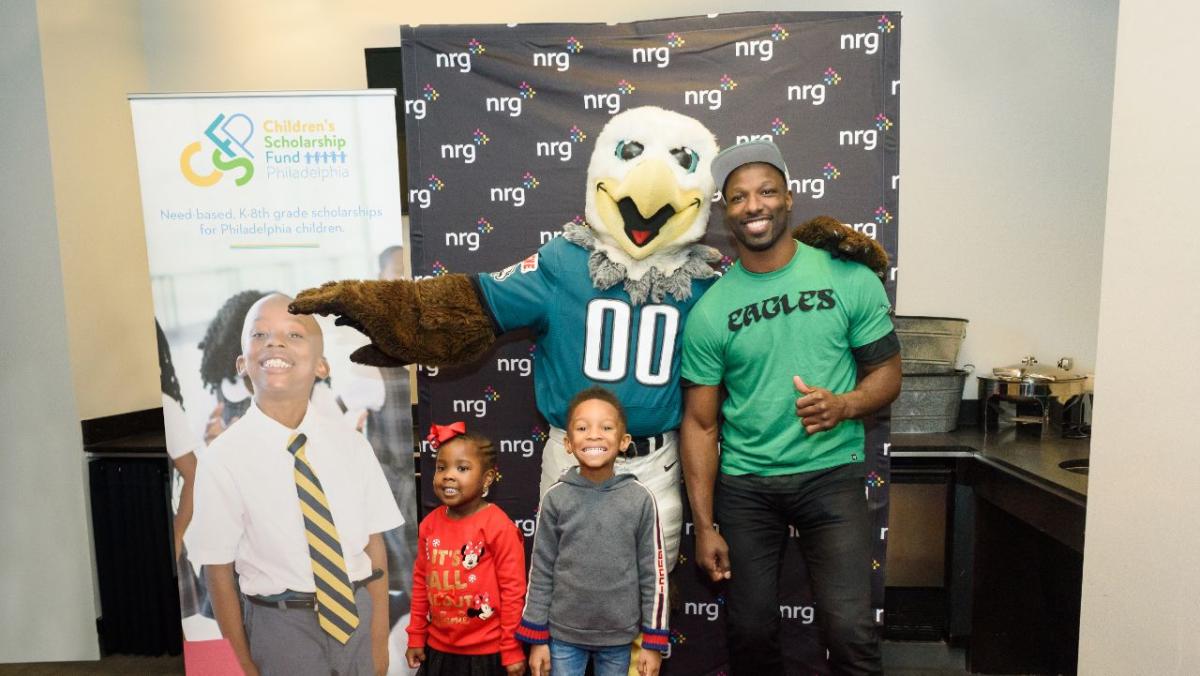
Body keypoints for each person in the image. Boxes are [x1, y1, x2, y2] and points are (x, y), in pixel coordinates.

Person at [678, 139, 901, 676]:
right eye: (738, 198)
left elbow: (888, 374)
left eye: (766, 192)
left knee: (850, 630)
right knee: (749, 631)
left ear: (789, 198)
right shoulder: (710, 313)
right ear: (724, 212)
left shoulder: (849, 278)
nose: (754, 206)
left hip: (830, 476)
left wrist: (845, 404)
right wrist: (705, 524)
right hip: (747, 486)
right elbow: (701, 424)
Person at [186, 293, 402, 676]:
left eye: (294, 335)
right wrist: (244, 663)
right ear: (242, 364)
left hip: (357, 616)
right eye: (260, 334)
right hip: (280, 626)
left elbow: (374, 547)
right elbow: (218, 571)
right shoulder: (222, 459)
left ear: (321, 366)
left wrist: (378, 643)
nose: (275, 342)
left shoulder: (351, 445)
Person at [517, 387, 670, 676]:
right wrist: (537, 637)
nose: (594, 435)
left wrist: (653, 640)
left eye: (607, 427)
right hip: (562, 637)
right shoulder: (556, 498)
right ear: (568, 443)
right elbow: (541, 571)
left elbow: (655, 574)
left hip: (619, 638)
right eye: (582, 427)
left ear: (624, 441)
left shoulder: (640, 499)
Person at [404, 424, 527, 676]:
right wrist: (416, 635)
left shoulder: (498, 526)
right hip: (438, 651)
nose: (448, 475)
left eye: (462, 468)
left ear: (487, 478)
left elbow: (513, 593)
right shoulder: (429, 525)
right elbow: (420, 584)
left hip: (487, 654)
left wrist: (511, 648)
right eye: (441, 467)